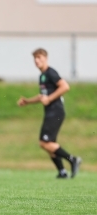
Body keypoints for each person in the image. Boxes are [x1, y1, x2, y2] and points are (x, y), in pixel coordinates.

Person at [17, 48, 82, 178]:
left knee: (44, 142)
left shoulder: (51, 72)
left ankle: (73, 159)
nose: (37, 61)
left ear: (46, 58)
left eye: (39, 58)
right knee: (50, 145)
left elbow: (65, 86)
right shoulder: (42, 76)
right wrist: (28, 101)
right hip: (51, 112)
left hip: (56, 111)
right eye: (35, 58)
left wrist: (50, 99)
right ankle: (62, 172)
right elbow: (43, 96)